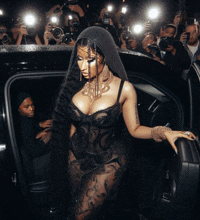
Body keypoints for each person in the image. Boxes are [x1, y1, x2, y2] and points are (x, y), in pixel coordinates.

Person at [50, 26, 196, 220]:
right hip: (76, 159)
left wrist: (164, 131)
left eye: (90, 59)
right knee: (87, 209)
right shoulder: (76, 85)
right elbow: (72, 127)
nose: (83, 66)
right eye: (79, 58)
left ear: (105, 56)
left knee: (78, 216)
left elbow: (135, 129)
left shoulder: (124, 89)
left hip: (107, 162)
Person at [17, 92, 52, 181]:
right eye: (26, 107)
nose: (31, 108)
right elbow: (34, 152)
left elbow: (31, 127)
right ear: (19, 109)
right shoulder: (24, 125)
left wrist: (40, 125)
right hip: (34, 166)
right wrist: (48, 137)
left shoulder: (25, 119)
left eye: (32, 105)